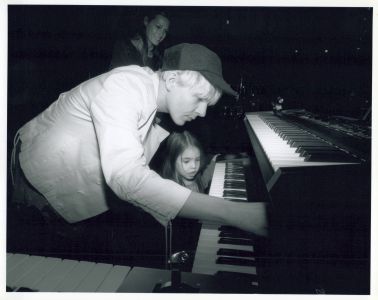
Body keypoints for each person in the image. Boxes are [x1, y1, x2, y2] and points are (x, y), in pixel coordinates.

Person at [10, 43, 268, 266]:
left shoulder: (155, 104)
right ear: (171, 80)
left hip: (73, 193)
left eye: (207, 105)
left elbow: (136, 170)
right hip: (37, 185)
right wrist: (234, 213)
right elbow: (126, 177)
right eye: (199, 99)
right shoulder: (125, 87)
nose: (202, 112)